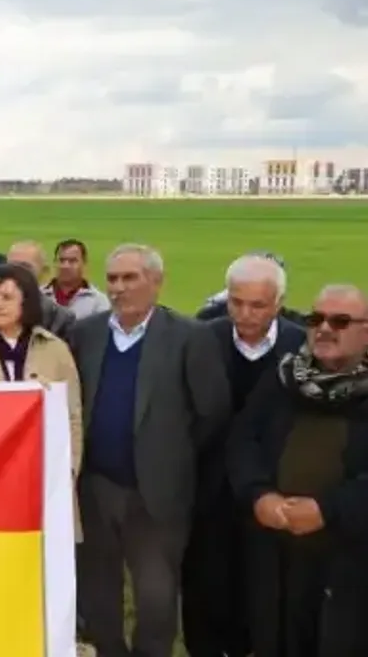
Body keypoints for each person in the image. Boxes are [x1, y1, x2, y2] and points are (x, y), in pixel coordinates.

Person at [68, 244, 230, 657]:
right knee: (97, 591)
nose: (118, 288)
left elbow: (211, 413)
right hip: (95, 488)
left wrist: (170, 457)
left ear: (156, 282)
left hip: (157, 493)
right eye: (112, 279)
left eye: (130, 278)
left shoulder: (189, 337)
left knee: (156, 596)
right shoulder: (86, 334)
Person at [228, 284, 368, 657]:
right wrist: (259, 494)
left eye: (340, 321)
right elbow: (243, 439)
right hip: (276, 548)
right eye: (316, 319)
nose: (325, 329)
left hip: (348, 556)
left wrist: (327, 510)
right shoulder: (284, 376)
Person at [185, 254, 304, 657]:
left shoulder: (301, 346)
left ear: (279, 303)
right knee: (206, 588)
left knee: (265, 593)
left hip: (273, 492)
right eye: (236, 302)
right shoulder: (202, 338)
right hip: (209, 492)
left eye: (258, 305)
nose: (245, 314)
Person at [0, 263, 84, 538]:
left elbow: (72, 416)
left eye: (7, 297)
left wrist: (66, 472)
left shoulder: (55, 348)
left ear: (26, 303)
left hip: (42, 476)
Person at [46, 239, 110, 319]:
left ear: (84, 264)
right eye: (61, 260)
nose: (65, 266)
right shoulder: (38, 296)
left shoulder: (98, 302)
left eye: (72, 261)